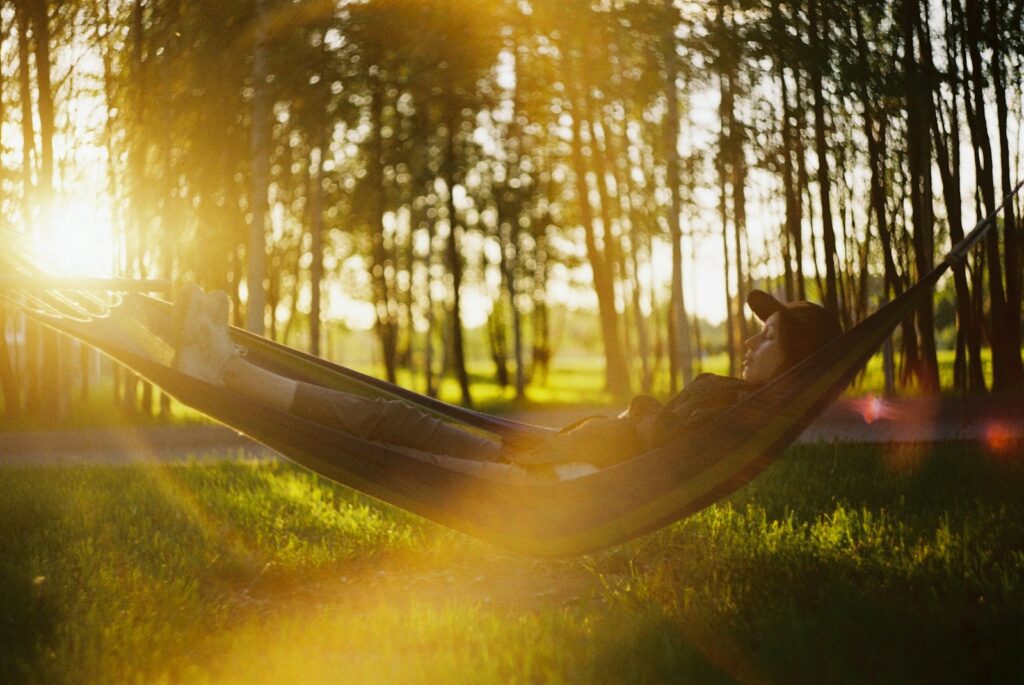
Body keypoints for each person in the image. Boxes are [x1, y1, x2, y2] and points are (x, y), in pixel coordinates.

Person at [173, 285, 840, 481]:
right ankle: (229, 367)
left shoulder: (741, 417)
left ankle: (224, 371)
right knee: (389, 418)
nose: (752, 340)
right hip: (561, 459)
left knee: (387, 424)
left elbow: (661, 440)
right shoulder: (742, 406)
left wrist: (634, 417)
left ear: (795, 364)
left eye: (769, 338)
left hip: (559, 484)